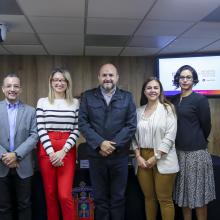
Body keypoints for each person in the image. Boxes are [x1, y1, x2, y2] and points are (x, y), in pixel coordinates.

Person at [79, 63, 137, 220]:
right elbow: (83, 124)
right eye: (104, 75)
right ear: (98, 77)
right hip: (97, 156)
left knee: (118, 198)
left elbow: (131, 125)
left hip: (120, 156)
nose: (107, 78)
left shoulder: (127, 97)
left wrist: (112, 145)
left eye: (111, 75)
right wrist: (100, 143)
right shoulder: (88, 96)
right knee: (99, 199)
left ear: (117, 78)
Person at [172, 65, 216, 220]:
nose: (185, 80)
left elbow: (206, 126)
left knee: (199, 198)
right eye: (182, 77)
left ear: (194, 80)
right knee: (184, 198)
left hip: (196, 155)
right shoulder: (174, 100)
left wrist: (196, 140)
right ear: (178, 79)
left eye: (188, 77)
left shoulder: (200, 100)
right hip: (179, 154)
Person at [132, 77, 179, 220]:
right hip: (142, 158)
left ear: (160, 91)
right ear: (144, 91)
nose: (152, 90)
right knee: (149, 198)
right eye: (149, 88)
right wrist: (138, 156)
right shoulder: (138, 111)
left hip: (163, 157)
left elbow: (170, 137)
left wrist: (156, 156)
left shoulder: (168, 109)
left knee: (164, 199)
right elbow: (133, 136)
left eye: (155, 87)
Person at [36, 67, 80, 220]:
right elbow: (40, 128)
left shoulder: (75, 103)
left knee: (64, 195)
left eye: (62, 80)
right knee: (50, 195)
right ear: (51, 82)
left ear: (67, 83)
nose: (59, 83)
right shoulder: (42, 102)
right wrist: (51, 153)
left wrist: (63, 151)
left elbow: (77, 129)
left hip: (67, 150)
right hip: (47, 150)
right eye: (56, 80)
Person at [0, 73, 38, 220]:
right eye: (8, 86)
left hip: (23, 165)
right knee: (3, 207)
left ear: (20, 89)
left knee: (25, 205)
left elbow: (34, 135)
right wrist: (5, 156)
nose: (12, 89)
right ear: (3, 89)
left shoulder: (30, 111)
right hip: (1, 165)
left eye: (16, 86)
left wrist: (15, 155)